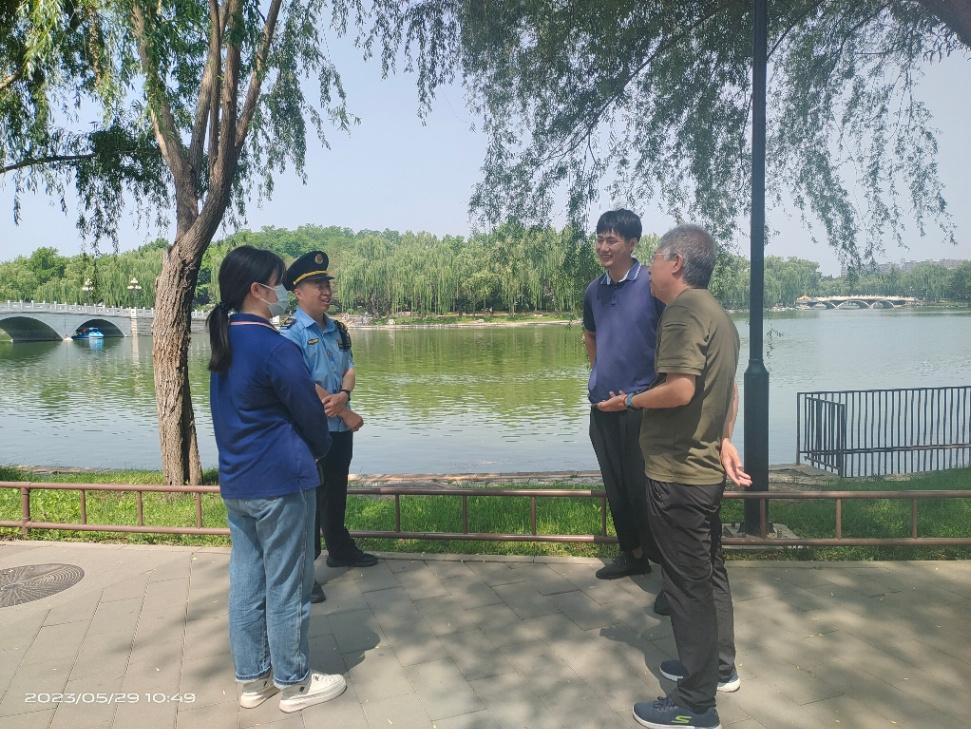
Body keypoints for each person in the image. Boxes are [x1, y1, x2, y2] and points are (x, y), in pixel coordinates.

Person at [598, 224, 751, 729]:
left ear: (677, 263)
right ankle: (716, 668)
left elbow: (682, 389)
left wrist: (630, 400)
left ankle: (695, 704)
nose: (651, 270)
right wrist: (724, 438)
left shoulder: (683, 312)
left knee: (686, 586)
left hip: (679, 475)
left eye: (658, 259)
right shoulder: (716, 314)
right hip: (703, 470)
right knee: (708, 573)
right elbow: (727, 391)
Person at [207, 245, 347, 714]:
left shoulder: (226, 340)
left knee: (247, 582)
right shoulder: (275, 346)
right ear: (257, 289)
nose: (281, 291)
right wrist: (319, 451)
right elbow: (310, 415)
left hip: (238, 480)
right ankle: (294, 683)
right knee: (287, 584)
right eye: (276, 282)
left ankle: (254, 680)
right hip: (281, 482)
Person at [281, 250, 377, 605]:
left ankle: (340, 548)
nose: (326, 291)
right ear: (298, 292)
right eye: (317, 285)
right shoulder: (290, 334)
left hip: (339, 430)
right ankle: (304, 573)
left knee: (336, 491)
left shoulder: (338, 329)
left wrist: (344, 396)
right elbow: (301, 382)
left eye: (327, 285)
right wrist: (343, 411)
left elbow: (349, 367)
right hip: (310, 432)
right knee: (309, 500)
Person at [582, 209, 663, 580]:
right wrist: (599, 373)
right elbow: (591, 335)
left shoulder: (651, 285)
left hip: (639, 406)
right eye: (600, 239)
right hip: (603, 405)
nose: (603, 247)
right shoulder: (593, 291)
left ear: (632, 244)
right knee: (616, 487)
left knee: (646, 489)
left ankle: (669, 570)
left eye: (611, 240)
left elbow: (670, 337)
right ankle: (633, 554)